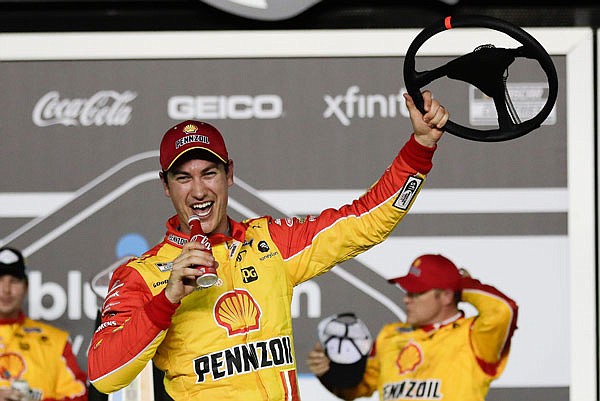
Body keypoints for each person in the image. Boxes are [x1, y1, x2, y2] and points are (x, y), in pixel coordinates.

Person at [87, 91, 449, 400]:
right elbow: (104, 375)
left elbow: (364, 222)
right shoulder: (141, 274)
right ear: (166, 186)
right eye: (183, 178)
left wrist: (420, 148)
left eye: (209, 173)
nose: (198, 191)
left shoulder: (269, 242)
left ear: (230, 173)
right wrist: (167, 300)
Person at [306, 253, 519, 401]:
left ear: (446, 296)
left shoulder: (474, 336)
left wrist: (462, 285)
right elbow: (357, 388)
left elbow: (504, 310)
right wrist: (329, 373)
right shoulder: (389, 335)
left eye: (416, 293)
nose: (407, 299)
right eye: (407, 292)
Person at [0, 246, 88, 401]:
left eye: (14, 281)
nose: (6, 290)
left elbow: (79, 395)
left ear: (26, 287)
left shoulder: (56, 342)